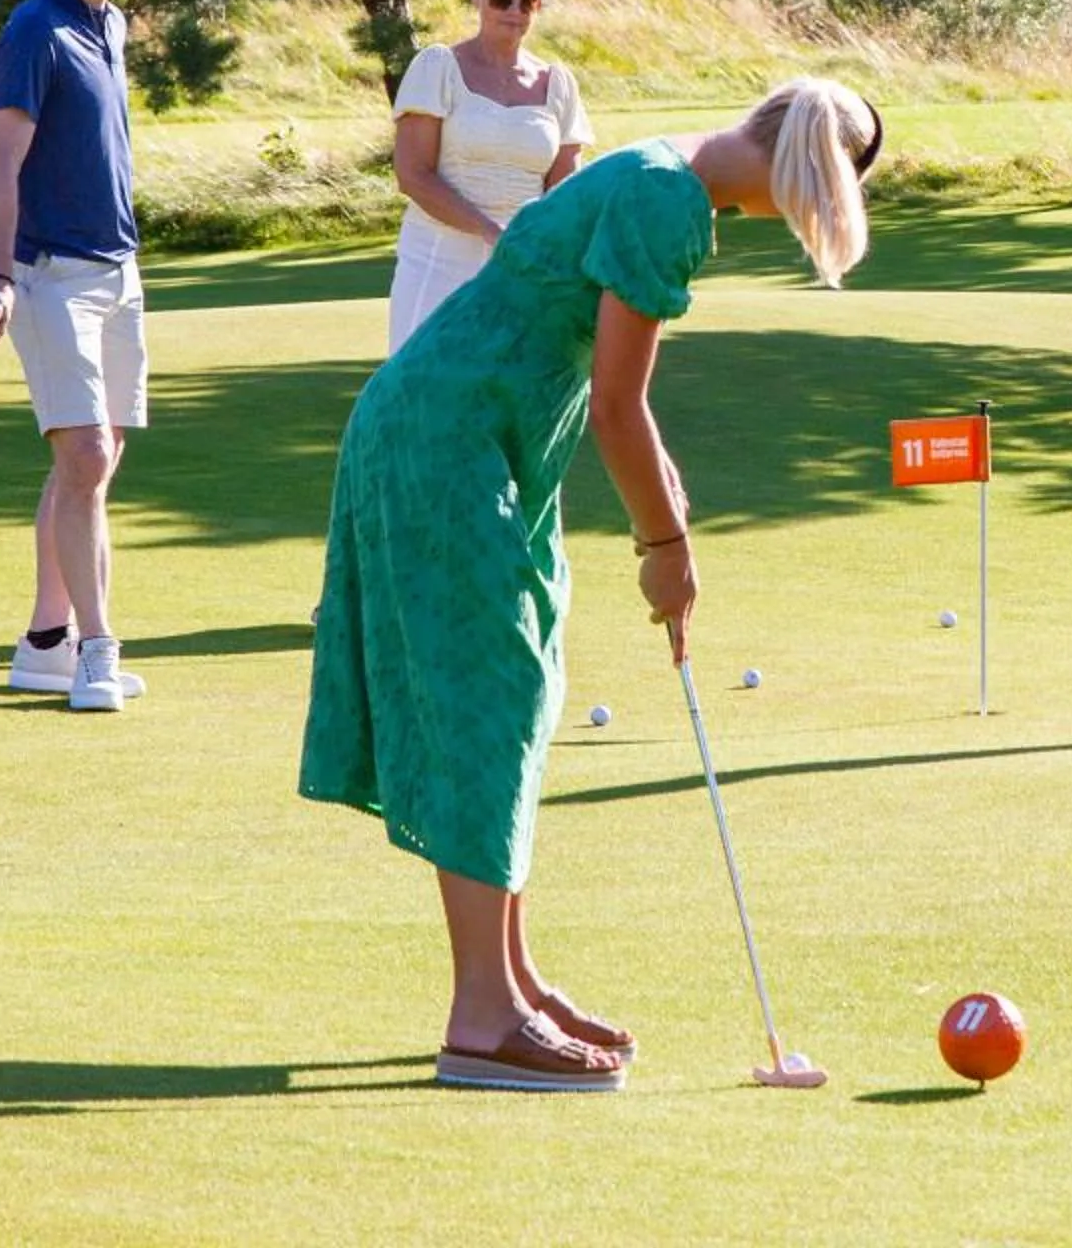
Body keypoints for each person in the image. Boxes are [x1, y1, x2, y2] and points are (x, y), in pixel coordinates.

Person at [300, 78, 883, 1091]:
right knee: (486, 696)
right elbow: (619, 404)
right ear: (812, 168)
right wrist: (665, 543)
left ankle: (510, 981)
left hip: (479, 441)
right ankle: (481, 1013)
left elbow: (603, 393)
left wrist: (669, 511)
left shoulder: (665, 174)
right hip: (449, 440)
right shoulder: (668, 201)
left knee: (515, 691)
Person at [0, 0, 156, 716]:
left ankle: (47, 641)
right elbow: (3, 162)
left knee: (98, 459)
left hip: (118, 273)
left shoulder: (108, 24)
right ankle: (96, 651)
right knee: (82, 456)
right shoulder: (36, 29)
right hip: (49, 277)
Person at [386, 0, 593, 354]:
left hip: (520, 269)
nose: (515, 11)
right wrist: (490, 231)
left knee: (505, 399)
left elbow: (564, 193)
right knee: (424, 396)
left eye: (528, 1)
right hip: (438, 259)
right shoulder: (437, 66)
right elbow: (413, 175)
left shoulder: (558, 84)